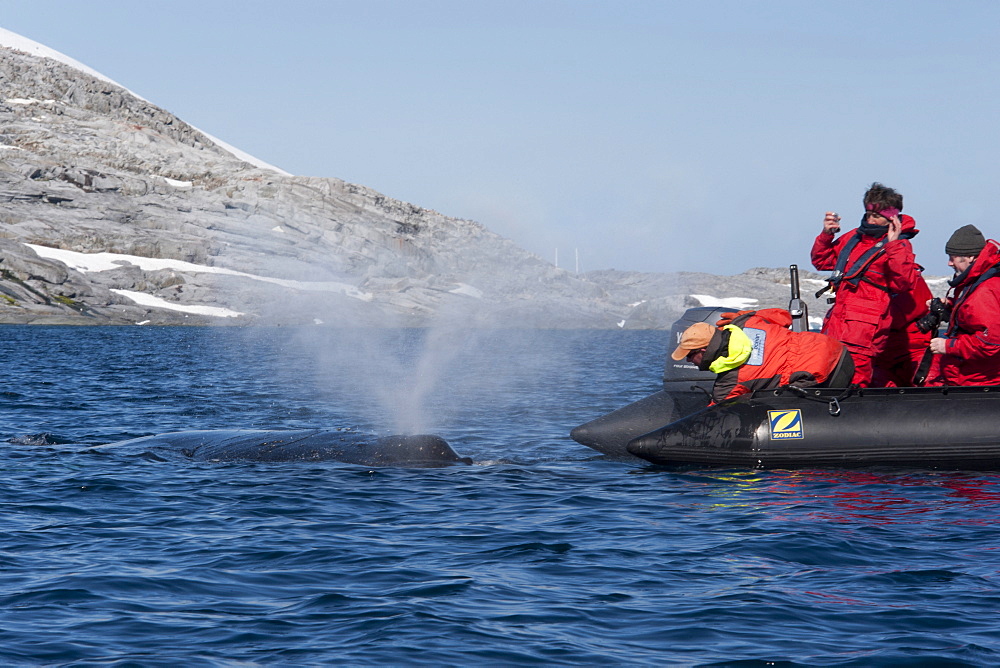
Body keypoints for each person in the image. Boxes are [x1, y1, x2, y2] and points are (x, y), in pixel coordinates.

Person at [810, 182, 924, 386]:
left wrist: (894, 244)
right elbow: (822, 261)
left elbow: (904, 282)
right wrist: (827, 235)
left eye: (877, 216)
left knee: (855, 378)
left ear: (892, 217)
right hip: (837, 321)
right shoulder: (853, 237)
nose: (870, 219)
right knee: (828, 373)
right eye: (868, 213)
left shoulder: (900, 245)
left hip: (864, 329)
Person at [671, 308, 854, 405]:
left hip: (825, 376)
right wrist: (752, 314)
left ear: (703, 351)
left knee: (779, 403)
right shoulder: (745, 322)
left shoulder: (729, 382)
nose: (688, 360)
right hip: (837, 350)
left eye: (689, 355)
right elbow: (784, 317)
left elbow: (717, 416)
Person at [925, 225, 1000, 386]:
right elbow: (975, 314)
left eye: (954, 258)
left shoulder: (985, 291)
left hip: (980, 382)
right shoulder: (978, 283)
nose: (949, 263)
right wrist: (951, 307)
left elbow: (989, 342)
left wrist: (948, 345)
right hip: (971, 377)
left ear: (971, 258)